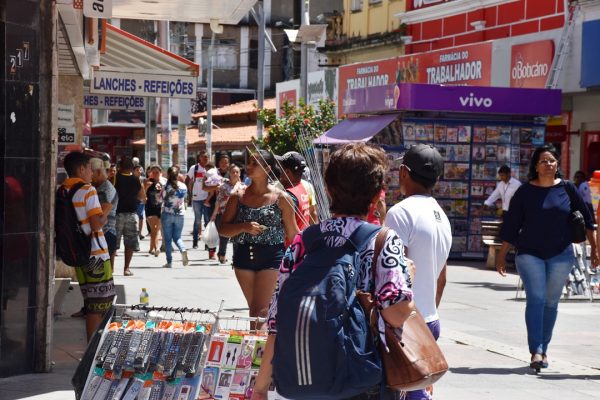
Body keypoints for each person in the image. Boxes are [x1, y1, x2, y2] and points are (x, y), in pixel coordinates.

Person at [251, 143, 415, 400]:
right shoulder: (383, 241)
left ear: (327, 190)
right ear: (376, 196)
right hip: (366, 377)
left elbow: (277, 321)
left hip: (307, 377)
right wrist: (409, 281)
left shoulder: (303, 241)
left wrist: (260, 387)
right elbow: (396, 313)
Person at [496, 145, 599, 370]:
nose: (549, 164)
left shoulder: (568, 189)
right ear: (535, 165)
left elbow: (588, 220)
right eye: (543, 161)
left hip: (561, 254)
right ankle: (536, 351)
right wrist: (501, 254)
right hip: (529, 253)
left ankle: (544, 348)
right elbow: (512, 225)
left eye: (552, 160)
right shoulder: (524, 192)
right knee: (537, 299)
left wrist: (595, 249)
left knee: (551, 303)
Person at [384, 143, 451, 400]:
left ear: (403, 172)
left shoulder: (400, 213)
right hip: (429, 318)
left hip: (405, 320)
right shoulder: (440, 216)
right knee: (415, 390)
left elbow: (392, 276)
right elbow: (441, 279)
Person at [219, 150, 298, 329]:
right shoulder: (238, 196)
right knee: (255, 310)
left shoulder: (282, 198)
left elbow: (293, 233)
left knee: (260, 312)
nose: (249, 166)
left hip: (272, 257)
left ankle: (257, 353)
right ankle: (262, 349)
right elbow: (223, 229)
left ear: (267, 168)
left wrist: (310, 251)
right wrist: (243, 227)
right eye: (250, 162)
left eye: (255, 163)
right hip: (243, 257)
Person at [59, 152, 115, 340]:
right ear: (81, 169)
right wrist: (106, 208)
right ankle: (94, 351)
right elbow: (96, 224)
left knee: (91, 303)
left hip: (77, 252)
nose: (92, 172)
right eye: (90, 168)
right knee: (98, 307)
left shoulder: (63, 190)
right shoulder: (87, 190)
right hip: (95, 254)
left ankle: (93, 348)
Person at [114, 157, 146, 276]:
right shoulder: (136, 180)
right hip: (132, 214)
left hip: (116, 214)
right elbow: (142, 197)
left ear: (120, 167)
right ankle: (126, 269)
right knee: (130, 243)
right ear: (131, 167)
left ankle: (111, 268)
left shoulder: (115, 178)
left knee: (113, 243)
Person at [277, 151, 318, 243]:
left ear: (287, 172)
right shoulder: (306, 187)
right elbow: (313, 212)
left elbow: (287, 231)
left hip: (291, 249)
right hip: (304, 243)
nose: (279, 172)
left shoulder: (284, 193)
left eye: (281, 169)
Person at [210, 163, 246, 264]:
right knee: (224, 236)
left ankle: (236, 257)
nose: (235, 174)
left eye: (237, 172)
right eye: (233, 172)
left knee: (236, 236)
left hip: (238, 214)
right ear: (229, 174)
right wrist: (214, 214)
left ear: (239, 174)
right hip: (223, 213)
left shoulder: (243, 187)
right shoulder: (223, 187)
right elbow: (218, 201)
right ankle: (222, 254)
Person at [161, 166, 190, 268]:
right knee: (177, 237)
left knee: (168, 239)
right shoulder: (183, 186)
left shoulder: (165, 186)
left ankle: (169, 262)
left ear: (168, 175)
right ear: (178, 175)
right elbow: (185, 199)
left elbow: (160, 199)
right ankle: (183, 249)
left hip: (167, 213)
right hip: (180, 214)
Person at [186, 151, 211, 250]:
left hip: (207, 198)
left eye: (206, 157)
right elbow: (188, 180)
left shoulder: (210, 169)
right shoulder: (194, 168)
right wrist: (189, 194)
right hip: (196, 198)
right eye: (203, 157)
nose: (205, 159)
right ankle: (195, 242)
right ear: (199, 158)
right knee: (197, 221)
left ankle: (207, 244)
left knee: (207, 221)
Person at [144, 165, 165, 257]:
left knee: (156, 229)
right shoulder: (147, 182)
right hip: (150, 207)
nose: (155, 174)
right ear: (150, 173)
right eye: (153, 172)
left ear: (161, 173)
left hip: (160, 208)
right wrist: (146, 187)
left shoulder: (163, 183)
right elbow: (142, 196)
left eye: (157, 172)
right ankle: (156, 248)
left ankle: (152, 248)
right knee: (154, 228)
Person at [133, 165, 146, 240]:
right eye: (137, 170)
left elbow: (144, 188)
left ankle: (140, 233)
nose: (139, 171)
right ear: (133, 171)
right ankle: (134, 232)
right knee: (134, 217)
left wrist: (144, 197)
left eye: (140, 170)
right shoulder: (131, 179)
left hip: (140, 201)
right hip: (133, 200)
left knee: (141, 216)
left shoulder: (142, 179)